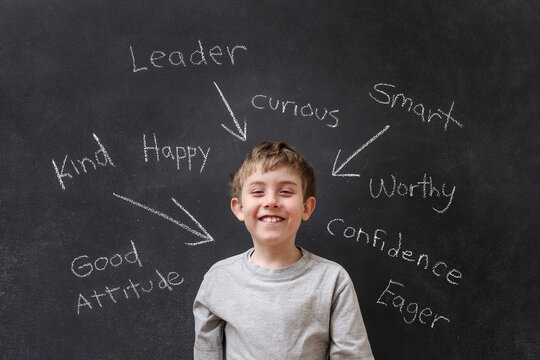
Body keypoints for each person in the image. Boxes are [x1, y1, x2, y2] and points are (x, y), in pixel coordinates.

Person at [193, 141, 374, 359]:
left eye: (286, 191)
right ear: (239, 208)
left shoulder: (332, 280)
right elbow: (206, 352)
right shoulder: (219, 279)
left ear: (306, 208)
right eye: (258, 191)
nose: (271, 201)